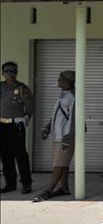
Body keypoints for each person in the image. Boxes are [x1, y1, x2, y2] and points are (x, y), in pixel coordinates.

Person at [33, 70, 76, 202]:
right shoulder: (63, 95)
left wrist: (67, 138)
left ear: (67, 82)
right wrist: (47, 127)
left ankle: (48, 191)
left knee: (59, 164)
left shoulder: (72, 97)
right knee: (63, 164)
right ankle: (64, 188)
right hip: (58, 135)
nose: (58, 81)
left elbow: (73, 119)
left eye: (60, 79)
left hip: (65, 137)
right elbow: (58, 115)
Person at [1, 61, 34, 194]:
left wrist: (25, 120)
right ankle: (10, 184)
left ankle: (26, 184)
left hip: (17, 125)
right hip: (2, 125)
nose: (11, 74)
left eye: (13, 71)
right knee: (5, 155)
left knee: (20, 155)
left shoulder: (22, 88)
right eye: (8, 71)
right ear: (3, 73)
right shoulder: (1, 87)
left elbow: (29, 107)